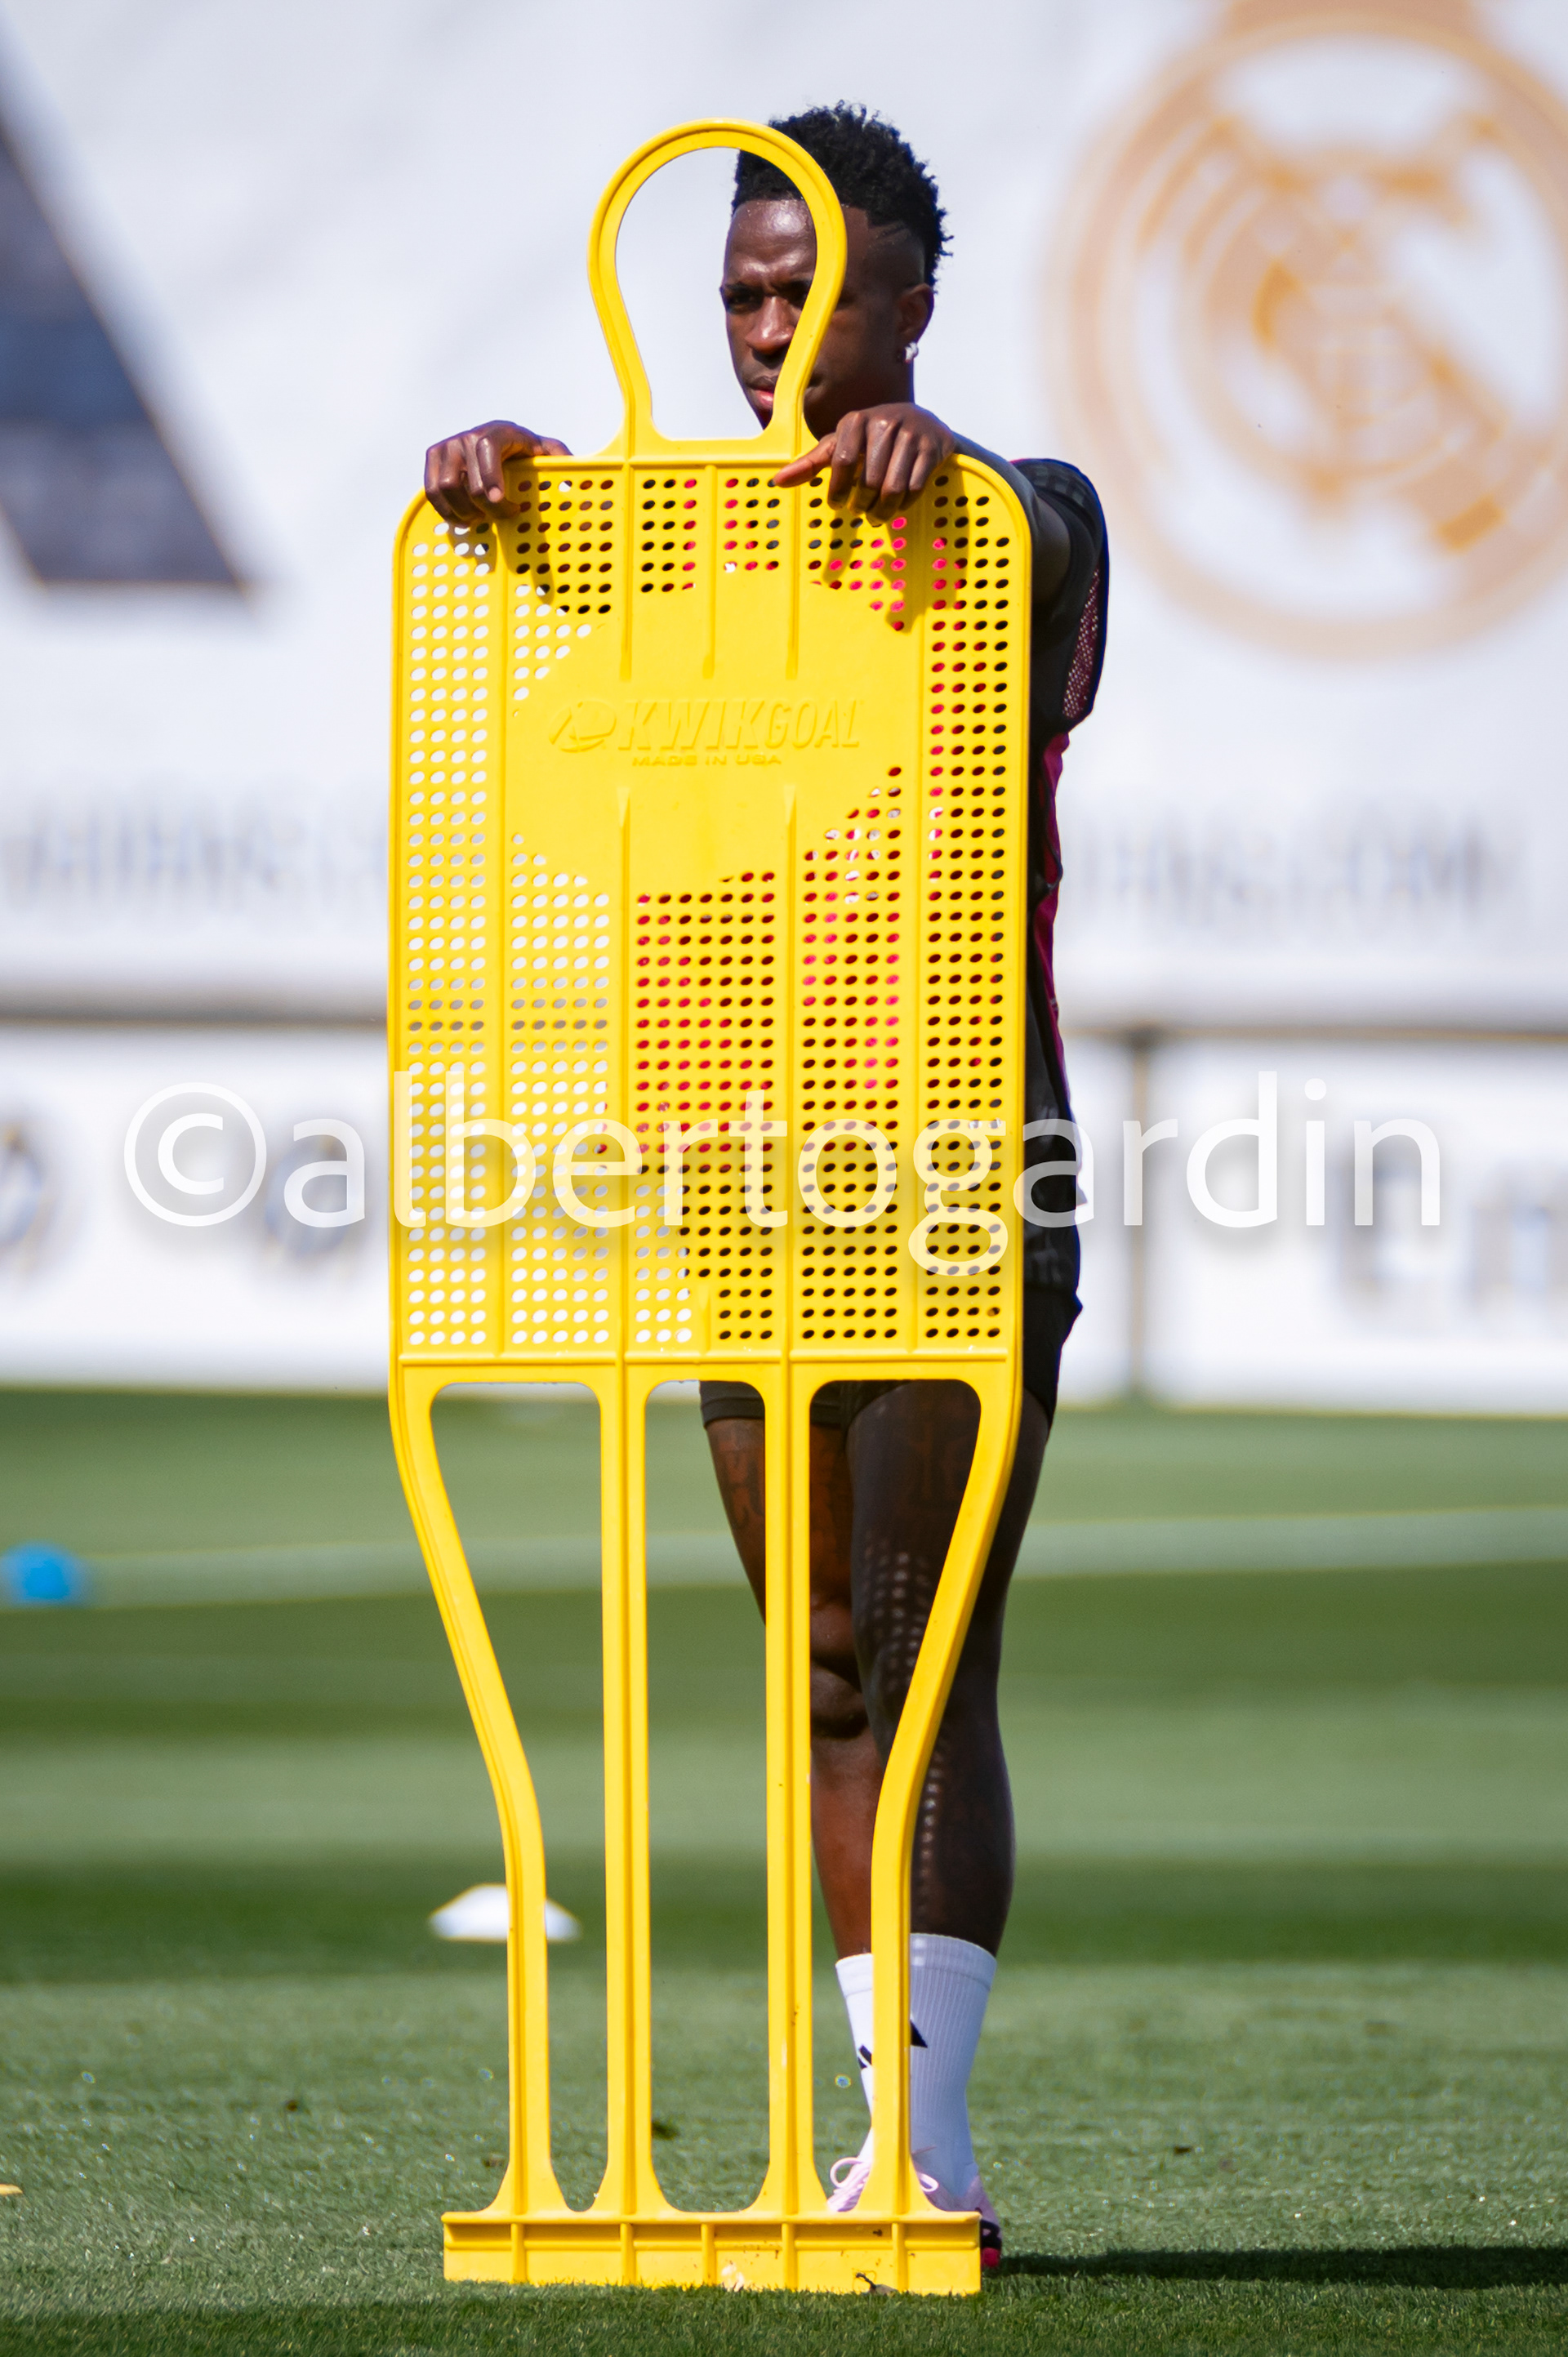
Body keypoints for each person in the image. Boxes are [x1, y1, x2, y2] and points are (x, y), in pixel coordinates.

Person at [425, 102, 1107, 2267]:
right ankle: (872, 2141)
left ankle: (929, 2151)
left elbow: (1046, 550)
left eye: (809, 289)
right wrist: (505, 491)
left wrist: (945, 470)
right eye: (738, 291)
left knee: (921, 1659)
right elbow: (544, 600)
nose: (765, 328)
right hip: (735, 1168)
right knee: (817, 1670)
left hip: (950, 1160)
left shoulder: (1014, 513)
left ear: (911, 301)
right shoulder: (674, 534)